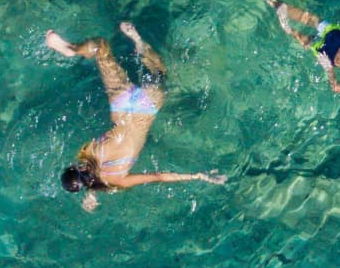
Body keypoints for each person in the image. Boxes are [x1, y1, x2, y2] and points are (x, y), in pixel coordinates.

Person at [46, 23, 225, 211]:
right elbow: (89, 171)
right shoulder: (85, 153)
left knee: (161, 74)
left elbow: (158, 177)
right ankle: (74, 49)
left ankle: (138, 41)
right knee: (100, 47)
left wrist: (197, 176)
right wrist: (91, 191)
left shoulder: (116, 181)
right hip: (121, 104)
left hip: (145, 108)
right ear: (76, 167)